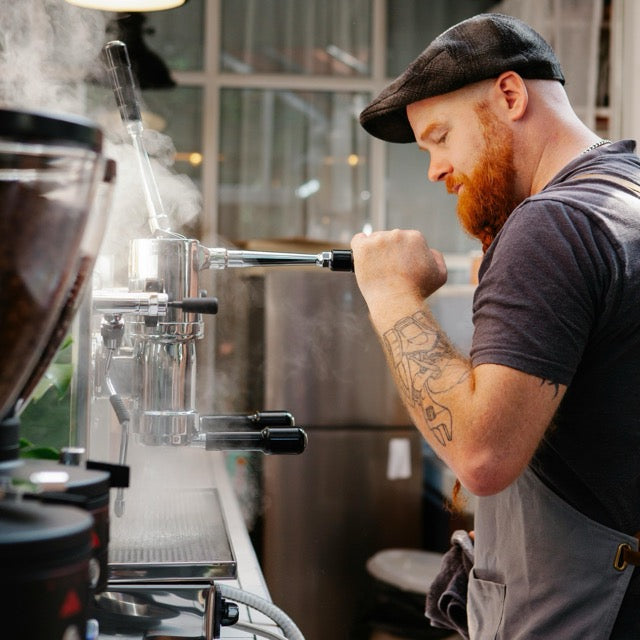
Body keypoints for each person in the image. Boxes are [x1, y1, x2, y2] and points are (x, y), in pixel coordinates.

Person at [351, 12, 640, 639]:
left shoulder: (552, 225)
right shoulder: (624, 196)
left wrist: (391, 293)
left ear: (510, 95)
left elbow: (482, 455)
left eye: (439, 136)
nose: (433, 168)